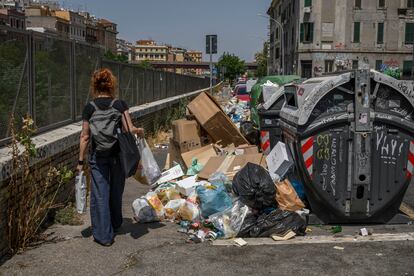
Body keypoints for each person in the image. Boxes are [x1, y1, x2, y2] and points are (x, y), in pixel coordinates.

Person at [77, 68, 144, 246]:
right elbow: (129, 129)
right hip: (117, 156)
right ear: (111, 84)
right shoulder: (119, 104)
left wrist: (80, 161)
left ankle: (103, 235)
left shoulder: (89, 108)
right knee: (116, 191)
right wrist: (140, 131)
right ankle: (115, 223)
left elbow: (84, 136)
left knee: (100, 194)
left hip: (98, 157)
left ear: (95, 85)